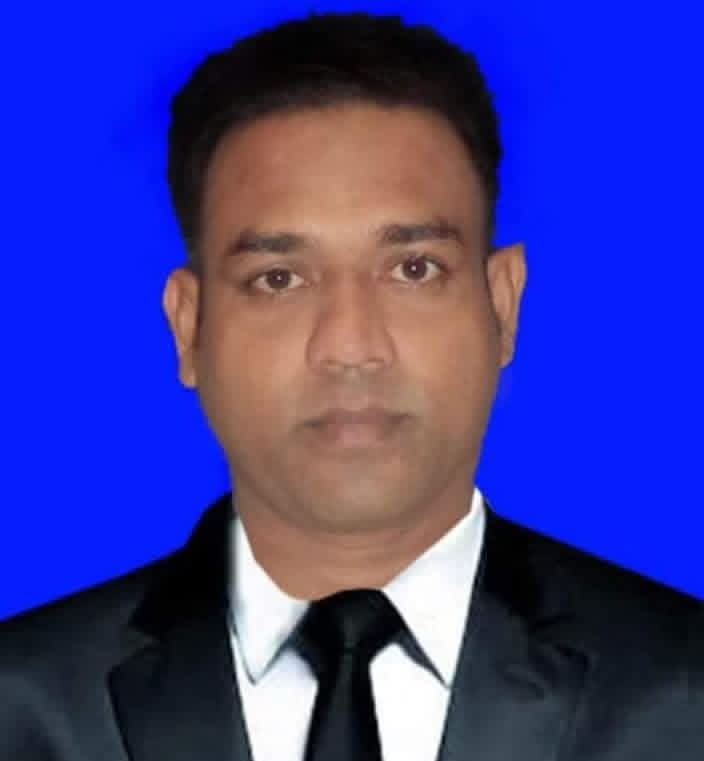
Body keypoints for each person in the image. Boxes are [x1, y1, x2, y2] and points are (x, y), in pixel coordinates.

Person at [1, 11, 702, 761]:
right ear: (188, 326)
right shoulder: (23, 705)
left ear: (502, 306)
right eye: (278, 278)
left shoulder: (682, 691)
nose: (350, 347)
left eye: (414, 269)